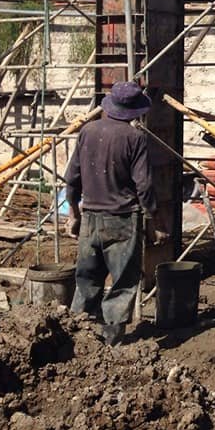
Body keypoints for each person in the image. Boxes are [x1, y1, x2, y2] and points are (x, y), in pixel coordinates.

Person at [65, 81, 167, 345]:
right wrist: (154, 221)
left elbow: (72, 178)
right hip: (122, 220)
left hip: (90, 218)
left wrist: (73, 213)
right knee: (122, 283)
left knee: (86, 279)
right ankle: (112, 342)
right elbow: (144, 185)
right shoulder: (135, 138)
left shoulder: (87, 131)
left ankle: (76, 339)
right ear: (134, 111)